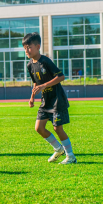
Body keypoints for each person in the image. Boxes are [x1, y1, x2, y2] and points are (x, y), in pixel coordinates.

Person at [24, 32, 77, 165]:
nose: (26, 50)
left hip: (57, 100)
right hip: (45, 101)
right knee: (39, 128)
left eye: (29, 47)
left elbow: (61, 76)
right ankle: (58, 149)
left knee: (57, 128)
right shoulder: (30, 65)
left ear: (38, 46)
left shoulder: (46, 61)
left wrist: (44, 85)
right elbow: (35, 82)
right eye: (25, 48)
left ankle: (70, 156)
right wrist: (32, 98)